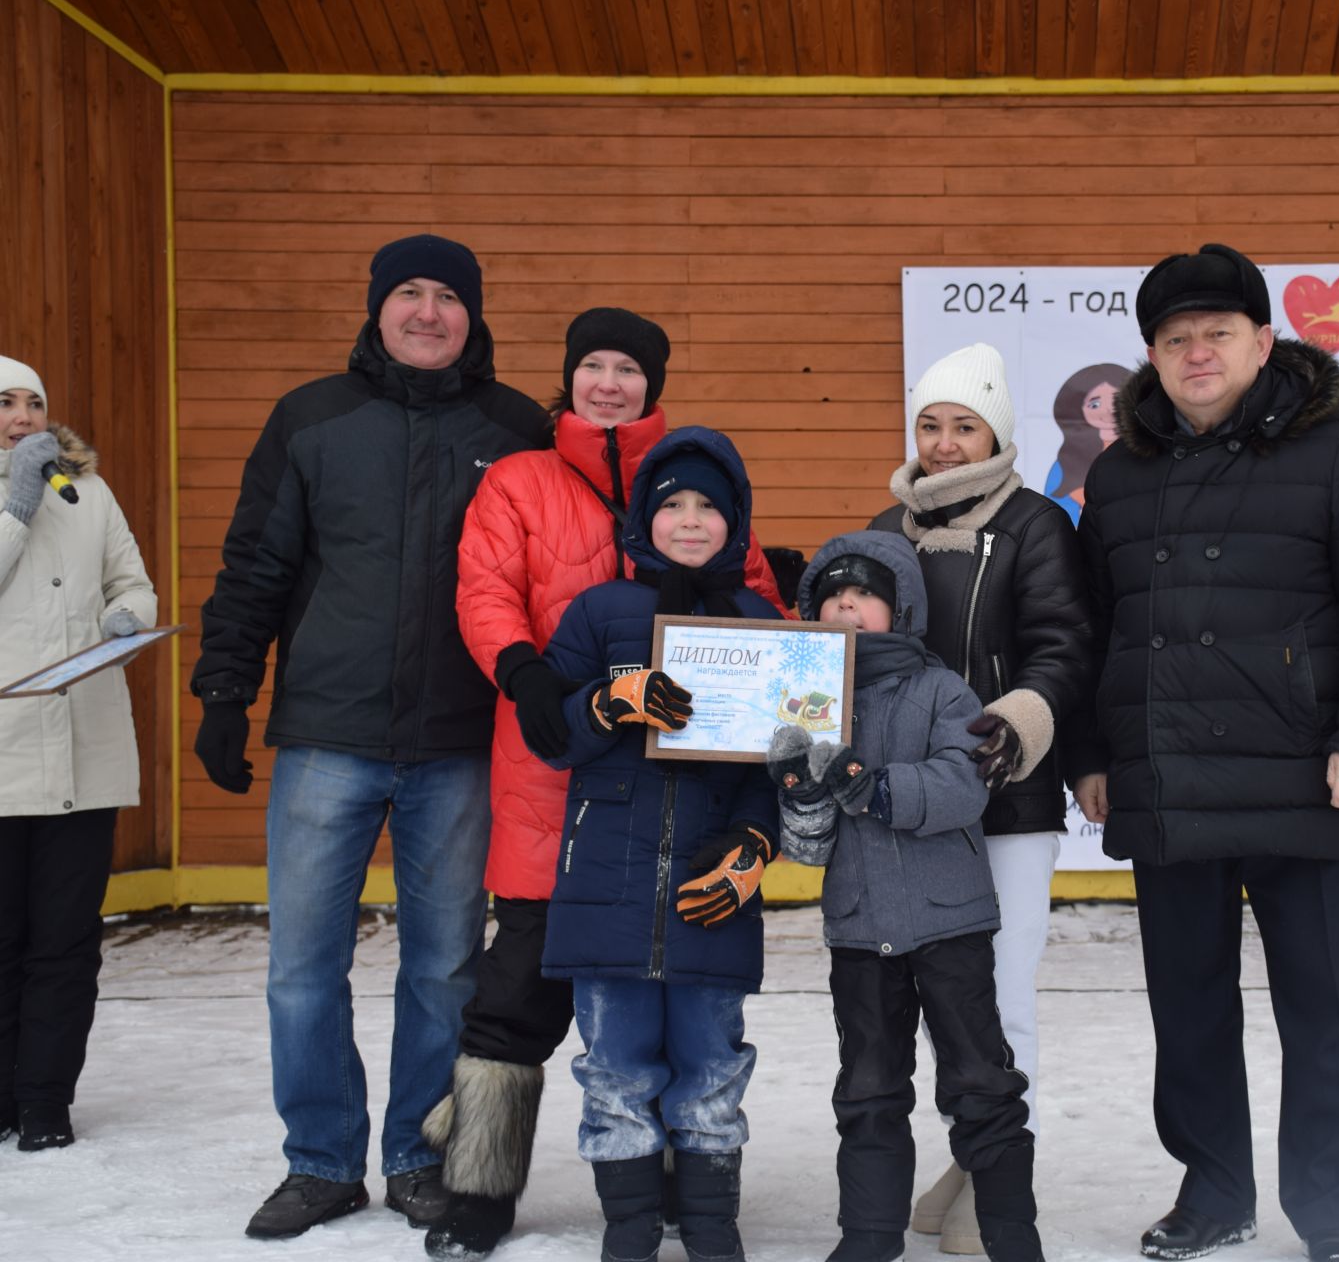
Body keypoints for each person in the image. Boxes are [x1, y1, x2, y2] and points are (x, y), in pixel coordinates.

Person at [1063, 245, 1339, 1262]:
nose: (1197, 351)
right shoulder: (1123, 474)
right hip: (1166, 783)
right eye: (1176, 337)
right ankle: (1215, 1189)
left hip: (1302, 780)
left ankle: (1334, 1213)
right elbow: (1092, 625)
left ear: (1264, 342)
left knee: (1326, 1017)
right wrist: (1089, 752)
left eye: (1218, 332)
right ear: (1153, 355)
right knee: (1189, 1014)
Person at [189, 235, 553, 1240]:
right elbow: (255, 562)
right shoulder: (312, 419)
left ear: (474, 316)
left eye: (449, 297)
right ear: (378, 307)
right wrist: (226, 686)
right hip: (327, 734)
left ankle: (416, 1154)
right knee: (303, 963)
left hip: (461, 739)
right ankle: (318, 1159)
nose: (429, 312)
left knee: (443, 965)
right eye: (410, 294)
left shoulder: (516, 427)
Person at [430, 307, 785, 1259]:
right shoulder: (521, 478)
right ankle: (477, 1180)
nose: (610, 383)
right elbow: (485, 586)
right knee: (522, 991)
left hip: (687, 792)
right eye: (594, 365)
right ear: (570, 378)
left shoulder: (695, 480)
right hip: (558, 762)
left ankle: (674, 1181)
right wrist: (527, 673)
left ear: (652, 385)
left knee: (669, 994)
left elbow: (758, 617)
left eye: (630, 368)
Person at [536, 426, 782, 1262]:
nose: (688, 520)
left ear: (736, 522)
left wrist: (753, 846)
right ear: (643, 516)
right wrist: (608, 702)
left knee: (713, 1065)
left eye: (708, 506)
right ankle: (630, 1235)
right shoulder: (601, 611)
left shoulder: (761, 619)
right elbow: (551, 735)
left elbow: (774, 762)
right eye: (671, 503)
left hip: (711, 892)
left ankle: (713, 1233)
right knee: (614, 1071)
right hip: (608, 888)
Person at [868, 343, 1093, 1253]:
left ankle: (993, 1175)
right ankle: (967, 1165)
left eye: (966, 426)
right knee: (933, 997)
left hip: (1005, 800)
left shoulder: (1036, 526)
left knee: (999, 999)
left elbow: (1064, 644)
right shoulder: (888, 526)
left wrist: (1012, 726)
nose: (947, 443)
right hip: (909, 807)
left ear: (997, 431)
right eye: (932, 425)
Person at [769, 530, 1041, 1262]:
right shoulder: (806, 702)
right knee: (867, 1091)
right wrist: (801, 795)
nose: (847, 607)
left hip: (948, 922)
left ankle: (1013, 1236)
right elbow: (808, 847)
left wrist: (879, 786)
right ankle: (867, 1239)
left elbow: (966, 783)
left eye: (864, 596)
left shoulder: (942, 689)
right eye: (831, 597)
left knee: (981, 1082)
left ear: (902, 611)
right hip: (860, 931)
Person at [0, 355, 157, 1152]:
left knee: (64, 942)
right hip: (1, 761)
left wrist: (128, 619)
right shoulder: (30, 498)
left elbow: (131, 581)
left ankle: (44, 1102)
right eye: (5, 403)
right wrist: (17, 504)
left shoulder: (86, 492)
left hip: (82, 756)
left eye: (34, 403)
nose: (24, 417)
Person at [1042, 362, 1129, 522]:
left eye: (1117, 400)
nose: (1108, 411)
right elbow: (1053, 518)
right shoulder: (1063, 466)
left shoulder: (1151, 455)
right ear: (1077, 408)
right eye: (1095, 404)